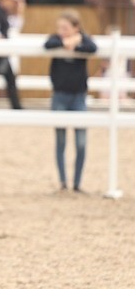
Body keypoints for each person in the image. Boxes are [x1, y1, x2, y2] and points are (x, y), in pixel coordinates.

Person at [44, 10, 98, 192]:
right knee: (60, 141)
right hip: (60, 95)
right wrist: (65, 42)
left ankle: (77, 183)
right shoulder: (56, 40)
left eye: (65, 28)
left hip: (78, 96)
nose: (61, 31)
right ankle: (63, 182)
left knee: (81, 142)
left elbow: (92, 47)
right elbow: (48, 44)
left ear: (76, 28)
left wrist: (76, 43)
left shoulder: (84, 40)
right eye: (59, 28)